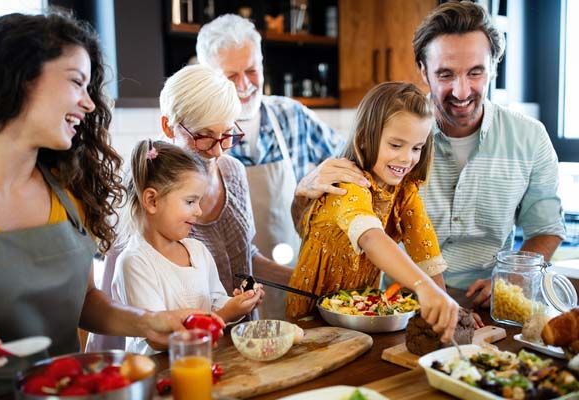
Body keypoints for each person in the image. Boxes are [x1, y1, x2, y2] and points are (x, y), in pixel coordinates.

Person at [0, 12, 222, 394]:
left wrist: (147, 321)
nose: (89, 104)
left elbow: (85, 301)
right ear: (19, 77)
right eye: (77, 82)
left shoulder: (67, 190)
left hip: (69, 389)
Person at [292, 1, 565, 308]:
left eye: (475, 73)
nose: (461, 92)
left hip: (487, 308)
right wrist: (304, 194)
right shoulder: (389, 128)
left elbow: (546, 229)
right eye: (446, 75)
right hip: (392, 307)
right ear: (423, 70)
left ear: (494, 67)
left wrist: (513, 280)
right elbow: (322, 222)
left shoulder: (530, 138)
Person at [86, 64, 282, 351]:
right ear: (168, 126)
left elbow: (244, 256)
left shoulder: (234, 172)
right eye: (203, 135)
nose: (217, 150)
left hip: (234, 345)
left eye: (227, 134)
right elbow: (118, 306)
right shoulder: (141, 195)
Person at [286, 82, 459, 342]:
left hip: (360, 317)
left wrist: (442, 305)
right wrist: (423, 288)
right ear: (368, 135)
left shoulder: (405, 191)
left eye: (416, 147)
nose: (406, 159)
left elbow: (425, 250)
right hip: (310, 318)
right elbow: (370, 237)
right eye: (396, 145)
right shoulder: (348, 183)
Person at [196, 14, 345, 260]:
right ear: (208, 77)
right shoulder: (199, 136)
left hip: (294, 277)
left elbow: (349, 158)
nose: (244, 84)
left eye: (252, 70)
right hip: (227, 289)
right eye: (231, 76)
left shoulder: (291, 116)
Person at [112, 140, 263, 354]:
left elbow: (216, 302)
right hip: (161, 374)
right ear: (152, 201)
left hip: (199, 361)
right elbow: (158, 337)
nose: (199, 211)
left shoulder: (197, 250)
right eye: (190, 202)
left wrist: (237, 304)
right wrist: (225, 315)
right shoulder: (135, 263)